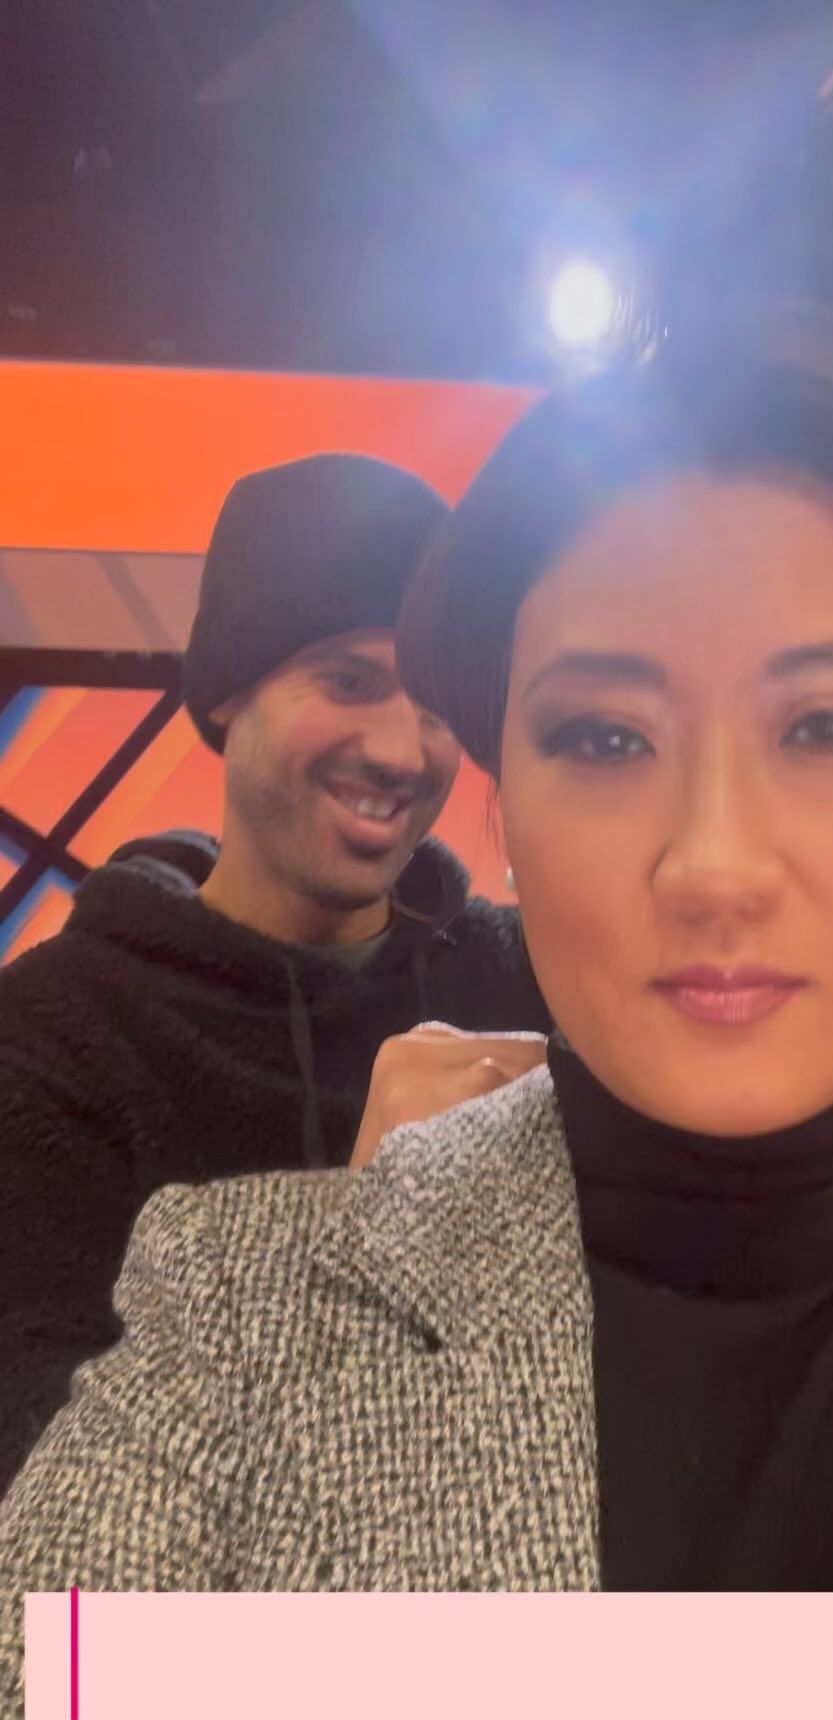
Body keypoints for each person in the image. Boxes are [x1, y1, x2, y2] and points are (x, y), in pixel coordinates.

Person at [1, 309, 833, 1720]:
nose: (714, 866)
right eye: (603, 737)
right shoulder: (213, 1279)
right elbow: (78, 1690)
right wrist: (740, 1686)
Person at [0, 450, 550, 1497]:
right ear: (227, 697)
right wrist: (357, 1238)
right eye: (349, 681)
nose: (403, 749)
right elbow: (48, 1504)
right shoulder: (49, 1044)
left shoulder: (532, 979)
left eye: (437, 704)